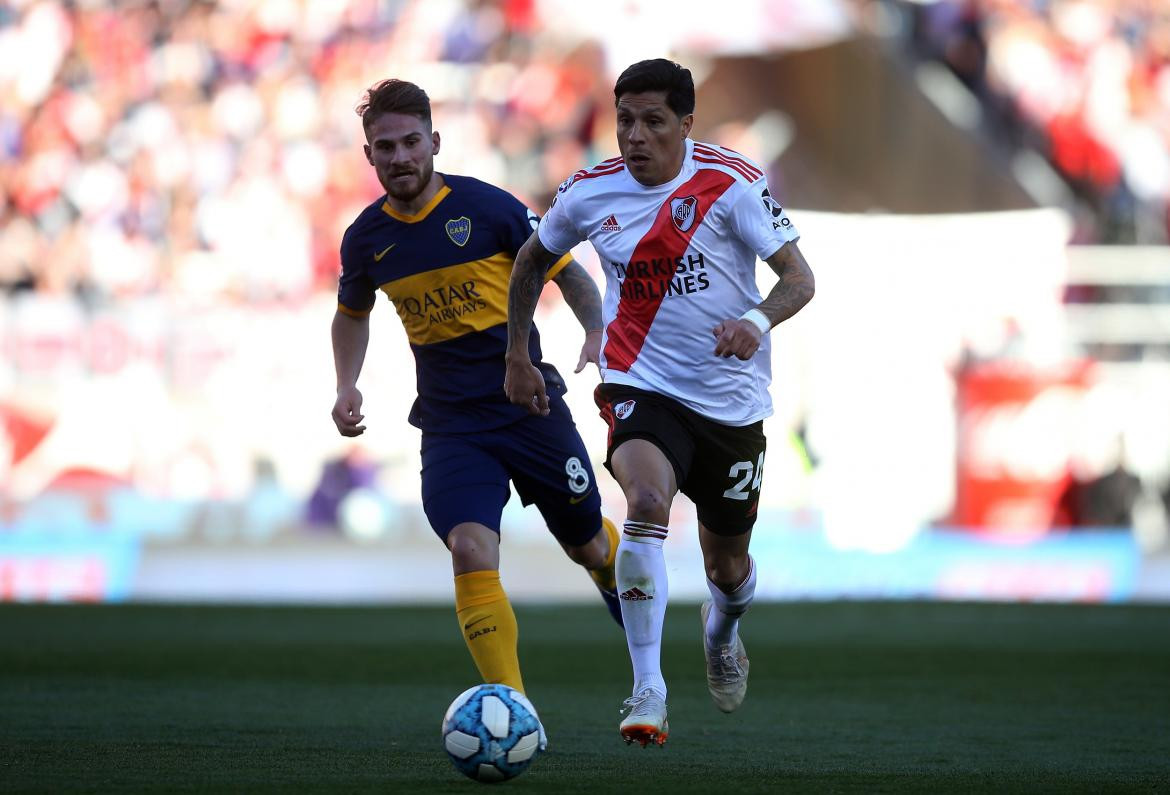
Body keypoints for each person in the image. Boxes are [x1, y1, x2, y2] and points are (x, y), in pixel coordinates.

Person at [504, 59, 815, 746]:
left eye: (651, 121)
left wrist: (755, 322)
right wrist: (518, 353)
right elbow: (531, 259)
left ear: (685, 125)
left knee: (726, 569)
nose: (635, 136)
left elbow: (799, 278)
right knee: (645, 502)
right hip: (640, 383)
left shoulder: (730, 182)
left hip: (731, 401)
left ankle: (722, 631)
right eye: (624, 121)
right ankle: (648, 686)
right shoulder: (588, 191)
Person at [330, 79, 623, 699]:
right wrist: (345, 383)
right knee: (467, 547)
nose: (400, 157)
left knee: (589, 543)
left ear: (435, 142)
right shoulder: (365, 240)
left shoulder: (489, 209)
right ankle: (513, 706)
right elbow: (352, 313)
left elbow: (566, 273)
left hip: (528, 408)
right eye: (386, 147)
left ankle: (625, 604)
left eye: (412, 142)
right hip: (451, 425)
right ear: (369, 156)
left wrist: (597, 330)